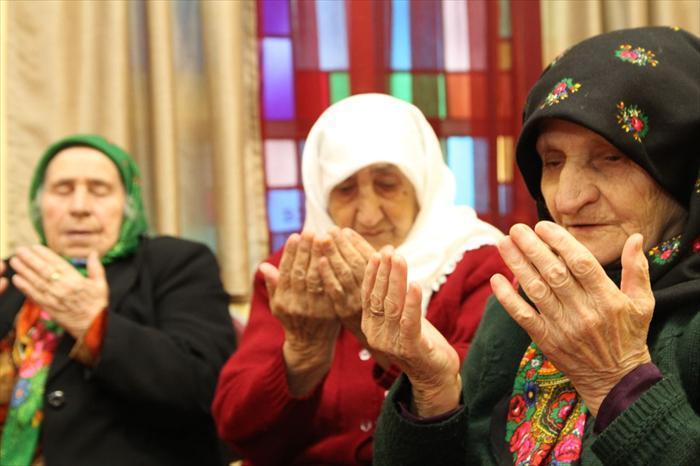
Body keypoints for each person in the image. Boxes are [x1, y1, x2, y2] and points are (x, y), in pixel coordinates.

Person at [366, 26, 700, 465]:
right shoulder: (524, 304)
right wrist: (434, 394)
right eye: (553, 161)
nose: (568, 198)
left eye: (611, 157)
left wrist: (619, 382)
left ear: (681, 165)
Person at [212, 93, 511, 464]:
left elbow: (484, 412)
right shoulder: (295, 277)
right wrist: (303, 355)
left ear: (421, 184)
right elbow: (237, 429)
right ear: (321, 196)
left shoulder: (479, 264)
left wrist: (374, 328)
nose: (368, 215)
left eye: (387, 184)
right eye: (345, 189)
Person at [0, 135, 237, 466]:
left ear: (129, 204)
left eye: (99, 190)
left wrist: (93, 323)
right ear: (39, 205)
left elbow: (205, 385)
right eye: (63, 190)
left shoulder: (175, 264)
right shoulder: (15, 275)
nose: (79, 207)